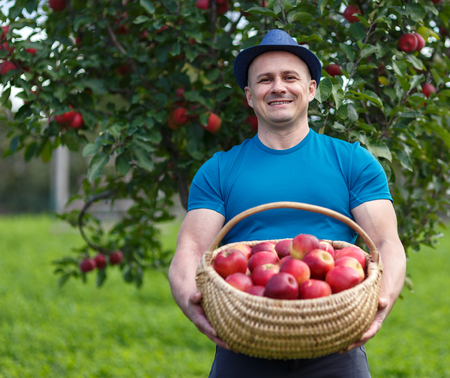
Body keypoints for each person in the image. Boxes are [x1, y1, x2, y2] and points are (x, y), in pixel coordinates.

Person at [168, 29, 406, 378]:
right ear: (250, 96)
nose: (277, 87)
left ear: (311, 89)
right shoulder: (219, 170)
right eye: (265, 80)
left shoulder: (353, 161)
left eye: (289, 77)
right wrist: (193, 303)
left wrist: (380, 304)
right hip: (245, 334)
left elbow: (386, 242)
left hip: (335, 342)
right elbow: (190, 248)